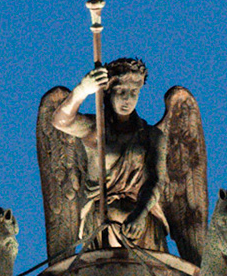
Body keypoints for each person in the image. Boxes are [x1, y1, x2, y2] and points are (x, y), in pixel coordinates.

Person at [48, 58, 172, 253]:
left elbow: (157, 180)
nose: (127, 100)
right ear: (108, 94)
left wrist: (140, 215)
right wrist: (82, 89)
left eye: (133, 93)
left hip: (141, 218)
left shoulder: (152, 136)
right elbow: (60, 121)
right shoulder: (94, 130)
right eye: (121, 92)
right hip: (101, 219)